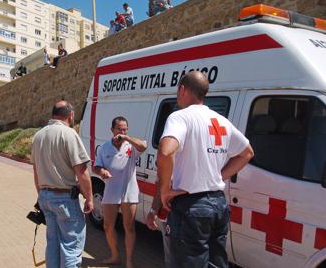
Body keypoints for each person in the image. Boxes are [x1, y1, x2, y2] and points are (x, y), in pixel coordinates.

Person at [146, 71, 254, 268]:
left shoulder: (180, 117)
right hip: (218, 205)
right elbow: (247, 153)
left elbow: (165, 151)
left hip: (191, 207)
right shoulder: (221, 121)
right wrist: (218, 176)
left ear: (182, 90)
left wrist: (164, 192)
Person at [31, 100, 94, 268]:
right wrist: (89, 198)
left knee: (53, 244)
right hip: (65, 198)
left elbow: (36, 171)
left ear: (53, 114)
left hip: (45, 197)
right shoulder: (69, 134)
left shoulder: (38, 136)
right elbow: (81, 171)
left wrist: (41, 194)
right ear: (71, 115)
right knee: (71, 247)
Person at [93, 117, 147, 268]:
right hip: (111, 191)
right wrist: (101, 171)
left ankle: (129, 261)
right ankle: (115, 256)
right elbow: (95, 167)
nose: (122, 132)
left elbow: (143, 146)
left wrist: (127, 138)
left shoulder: (131, 146)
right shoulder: (104, 148)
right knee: (108, 226)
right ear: (112, 130)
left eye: (125, 129)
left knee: (129, 227)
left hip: (129, 192)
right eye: (119, 129)